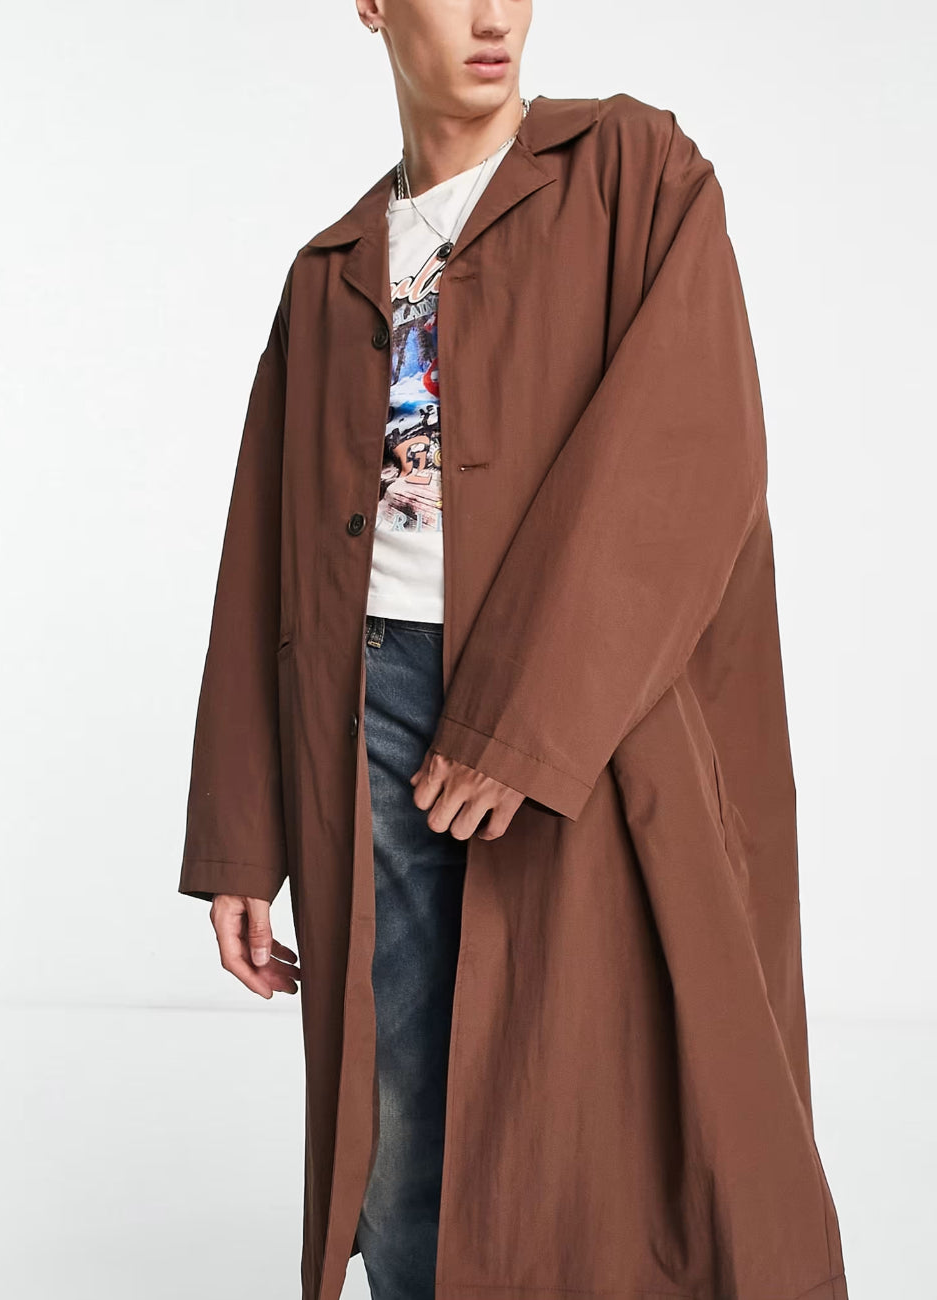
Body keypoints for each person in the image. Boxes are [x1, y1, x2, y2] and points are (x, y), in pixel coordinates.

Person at [178, 4, 849, 1300]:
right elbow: (264, 554)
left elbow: (689, 442)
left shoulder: (632, 173)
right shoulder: (329, 271)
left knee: (596, 1116)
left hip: (589, 718)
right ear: (374, 5)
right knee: (402, 1113)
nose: (493, 16)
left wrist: (523, 715)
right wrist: (240, 841)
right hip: (369, 713)